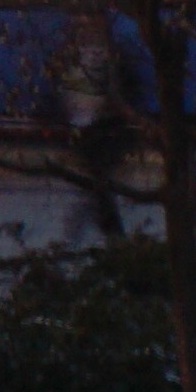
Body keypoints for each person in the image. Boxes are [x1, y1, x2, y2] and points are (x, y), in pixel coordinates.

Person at [50, 18, 141, 245]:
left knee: (96, 186)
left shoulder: (110, 60)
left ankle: (96, 235)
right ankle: (110, 237)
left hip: (102, 132)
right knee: (96, 187)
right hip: (86, 132)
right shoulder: (74, 59)